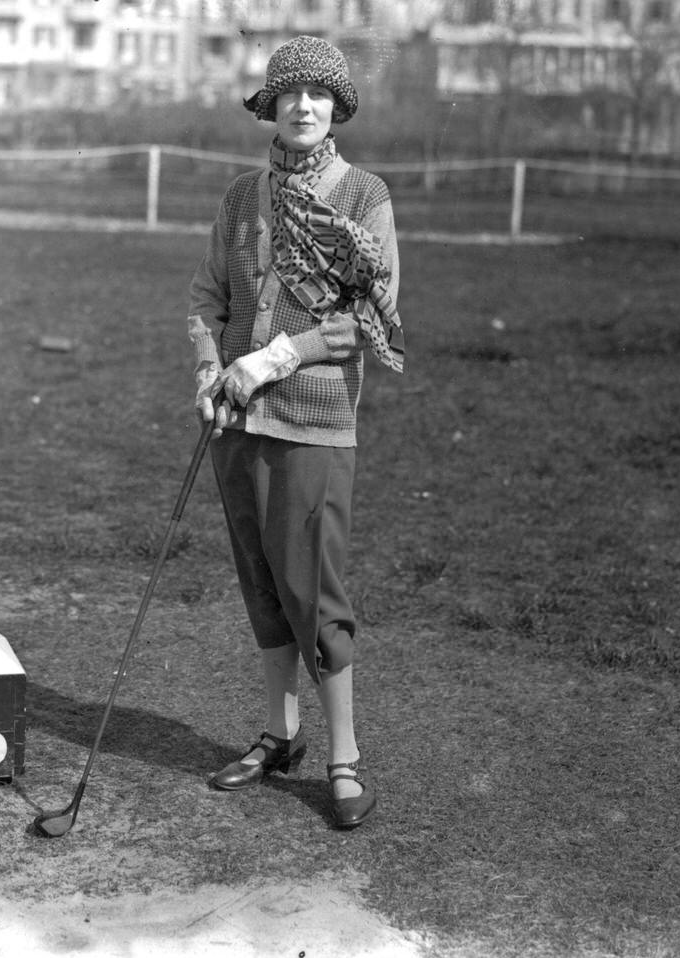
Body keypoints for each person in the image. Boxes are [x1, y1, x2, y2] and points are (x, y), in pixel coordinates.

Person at [186, 35, 404, 829]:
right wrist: (211, 366)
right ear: (269, 108)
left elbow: (366, 322)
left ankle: (344, 758)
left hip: (314, 425)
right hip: (236, 423)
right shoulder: (243, 198)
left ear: (337, 108)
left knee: (316, 594)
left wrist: (270, 358)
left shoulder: (364, 195)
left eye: (318, 95)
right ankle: (280, 736)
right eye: (288, 95)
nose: (302, 107)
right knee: (264, 585)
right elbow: (207, 295)